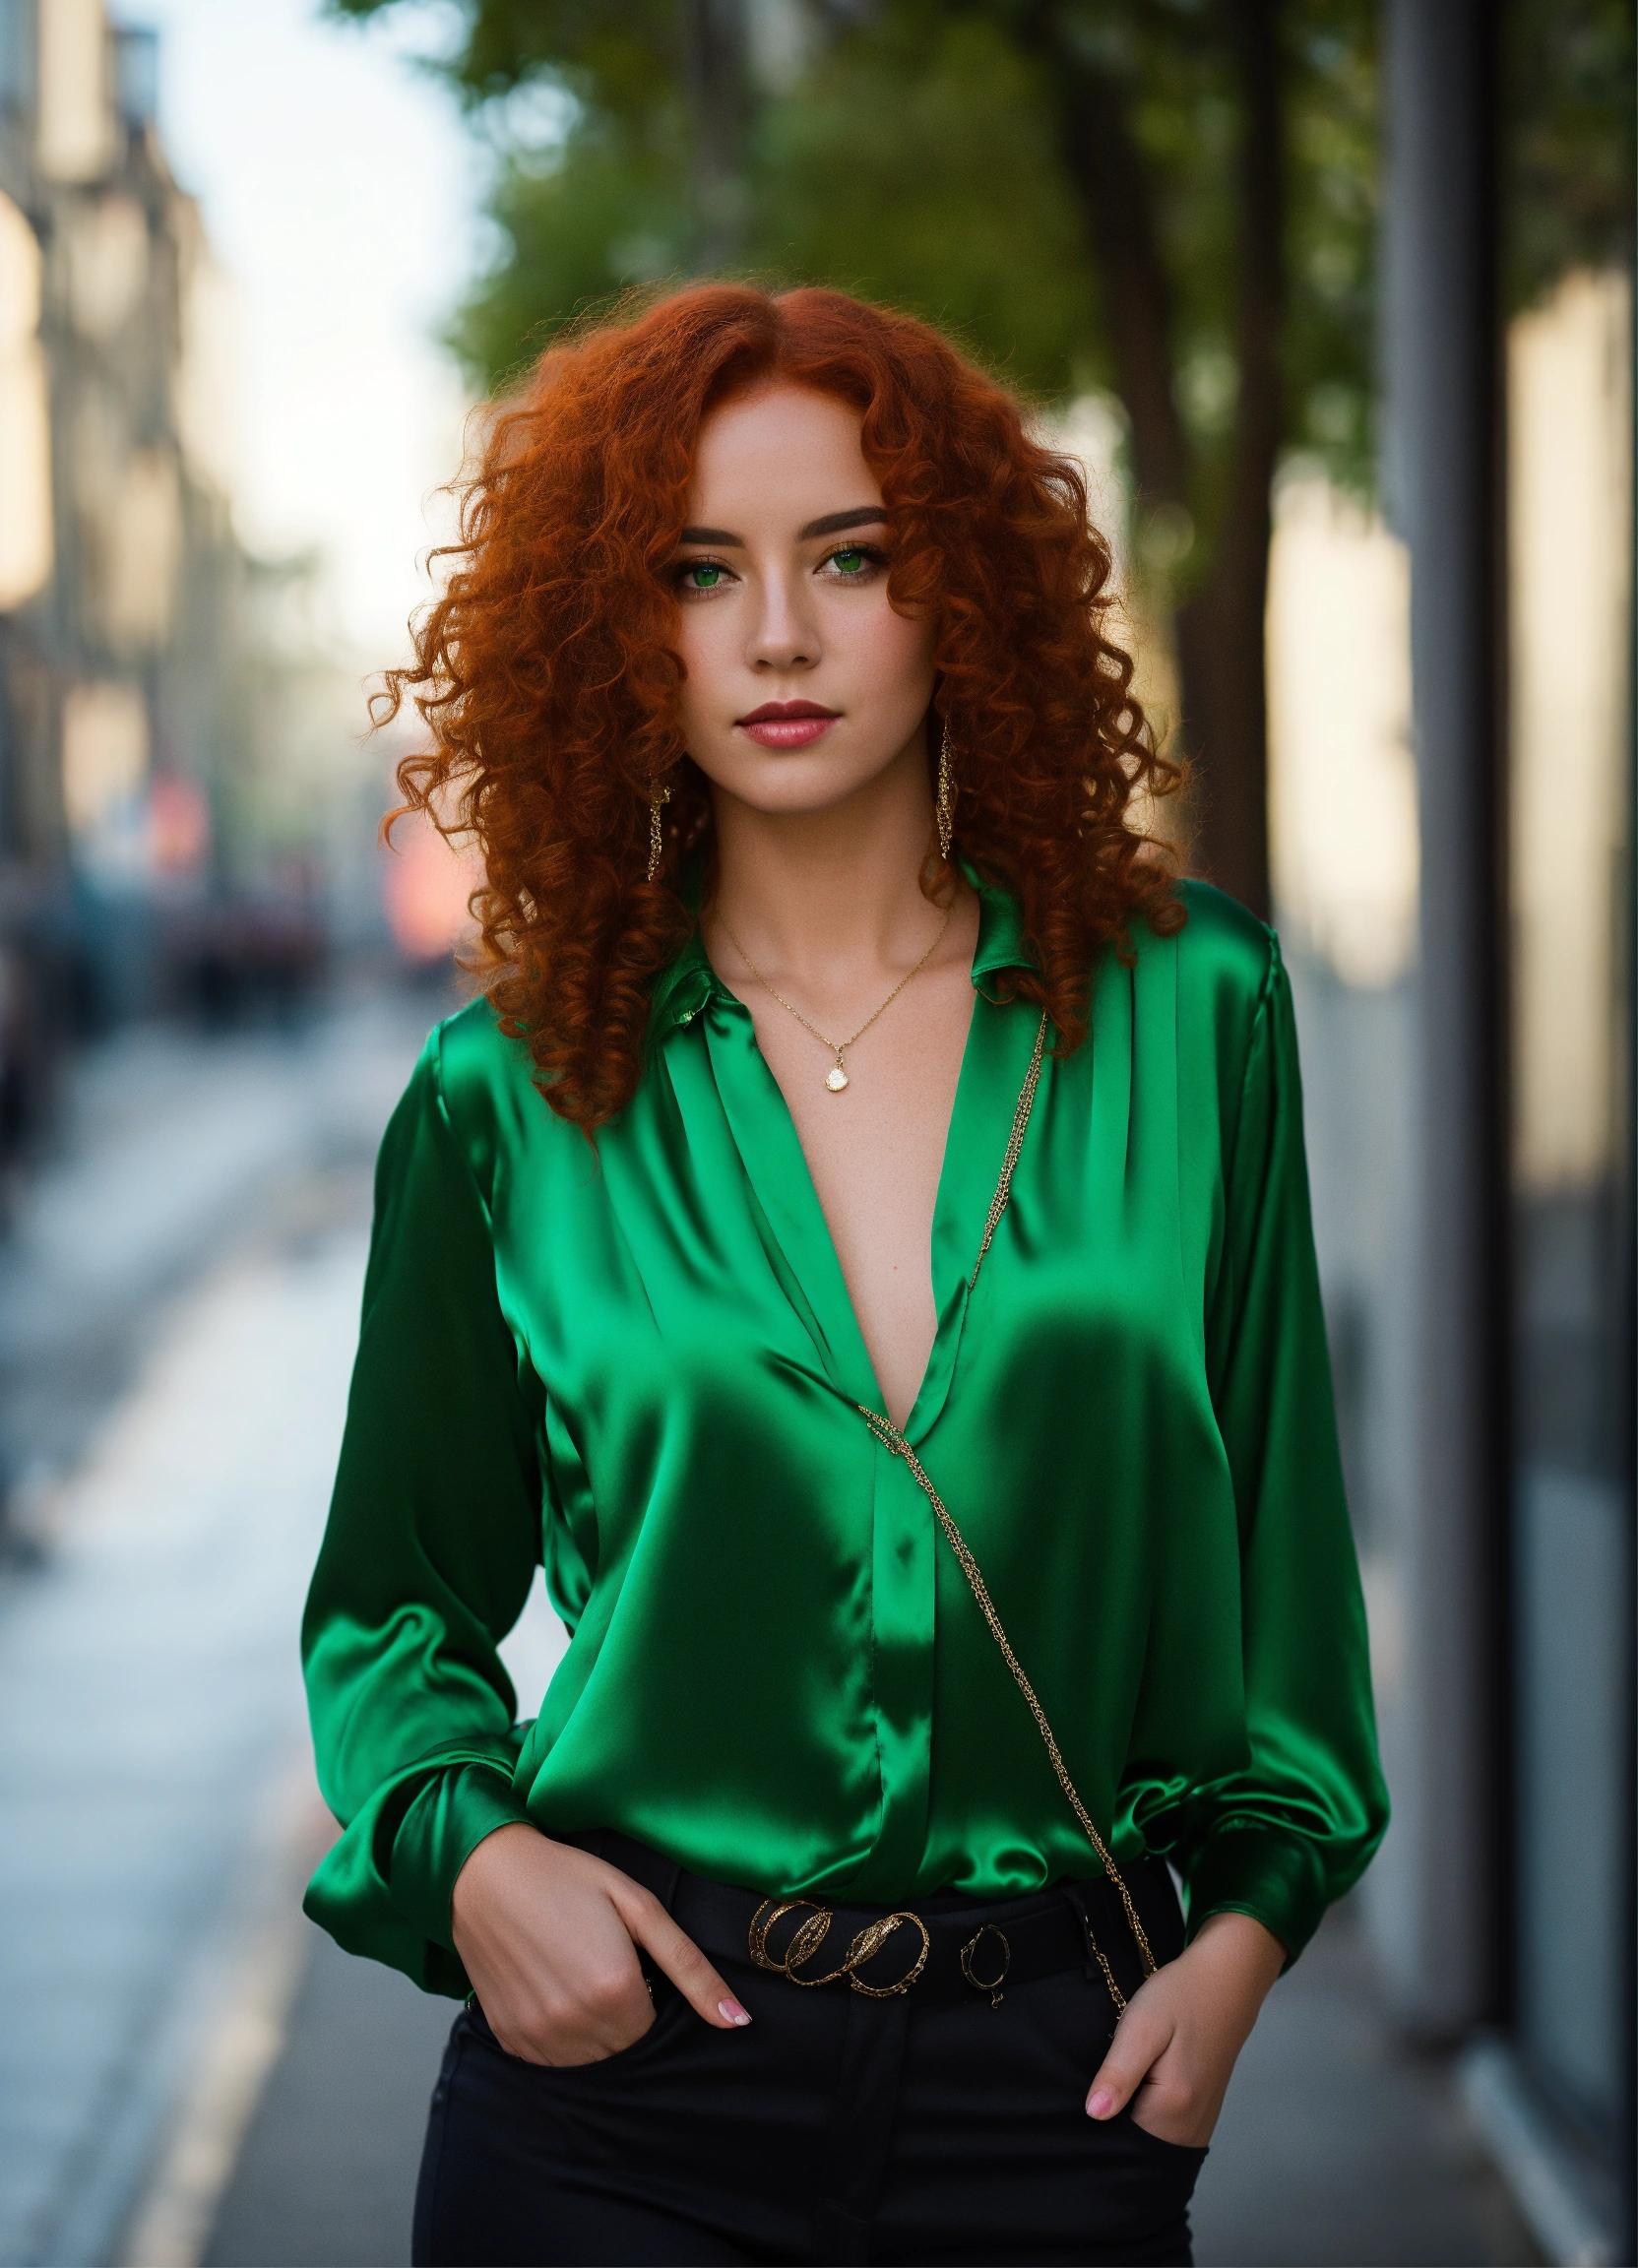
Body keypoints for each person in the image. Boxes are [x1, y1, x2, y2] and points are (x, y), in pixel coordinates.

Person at [302, 283, 1388, 2268]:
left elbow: (1285, 1581)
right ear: (622, 630)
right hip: (613, 2095)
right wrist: (473, 1869)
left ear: (955, 592)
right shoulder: (506, 1098)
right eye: (702, 572)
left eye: (849, 559)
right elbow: (389, 1610)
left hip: (1055, 2088)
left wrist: (1241, 1939)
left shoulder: (1193, 1010)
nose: (778, 635)